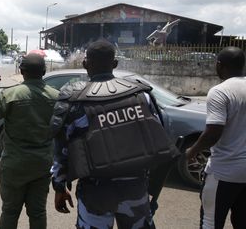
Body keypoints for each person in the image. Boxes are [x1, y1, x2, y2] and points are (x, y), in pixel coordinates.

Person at [50, 40, 178, 228]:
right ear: (115, 64)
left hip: (95, 191)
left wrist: (59, 186)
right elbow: (159, 140)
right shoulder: (141, 95)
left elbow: (62, 148)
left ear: (85, 64)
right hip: (136, 187)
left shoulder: (75, 101)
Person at [0, 53, 59, 229]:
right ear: (45, 71)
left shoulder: (10, 94)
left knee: (10, 212)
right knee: (38, 213)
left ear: (21, 71)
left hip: (14, 165)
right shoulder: (57, 97)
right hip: (42, 164)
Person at [186, 46, 246, 229]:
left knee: (211, 222)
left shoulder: (220, 91)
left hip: (224, 171)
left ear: (220, 65)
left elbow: (213, 133)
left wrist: (191, 151)